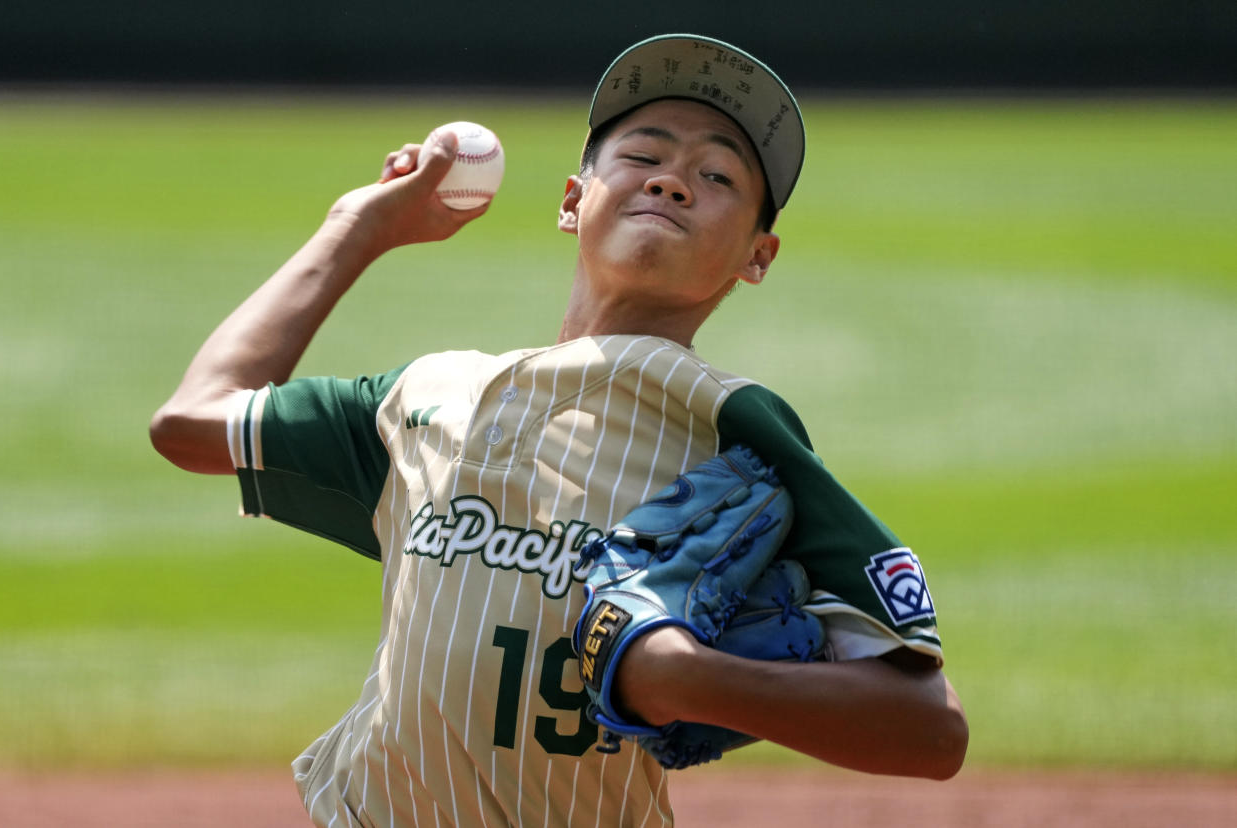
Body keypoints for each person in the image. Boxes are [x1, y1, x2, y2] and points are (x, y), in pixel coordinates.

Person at [151, 33, 967, 828]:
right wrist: (357, 227)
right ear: (574, 202)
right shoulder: (430, 395)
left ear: (758, 255)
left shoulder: (731, 424)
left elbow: (932, 730)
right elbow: (191, 425)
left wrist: (684, 679)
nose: (673, 181)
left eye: (716, 173)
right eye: (643, 157)